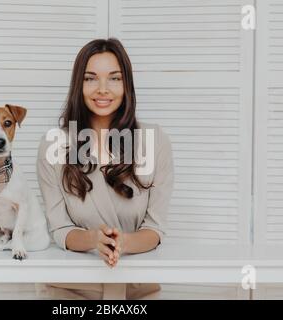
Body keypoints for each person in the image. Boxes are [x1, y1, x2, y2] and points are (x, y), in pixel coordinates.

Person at [35, 38, 174, 300]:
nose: (102, 89)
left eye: (114, 78)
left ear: (126, 85)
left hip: (137, 289)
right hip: (70, 289)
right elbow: (60, 230)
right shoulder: (54, 145)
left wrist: (122, 243)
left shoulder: (154, 141)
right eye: (90, 78)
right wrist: (93, 239)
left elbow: (155, 229)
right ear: (79, 84)